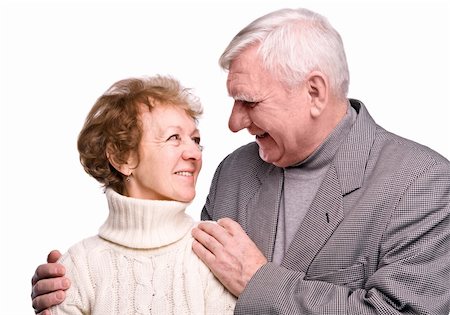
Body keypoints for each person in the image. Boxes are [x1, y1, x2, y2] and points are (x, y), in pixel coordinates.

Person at [32, 7, 450, 315]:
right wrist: (75, 284)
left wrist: (258, 282)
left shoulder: (421, 183)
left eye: (249, 102)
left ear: (315, 93)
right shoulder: (235, 173)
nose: (233, 123)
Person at [32, 75, 236, 315]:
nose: (194, 153)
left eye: (196, 140)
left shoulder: (214, 251)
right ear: (122, 158)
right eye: (174, 138)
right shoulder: (78, 267)